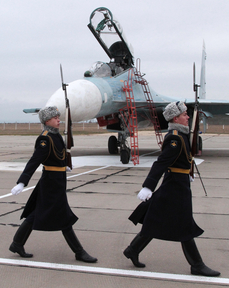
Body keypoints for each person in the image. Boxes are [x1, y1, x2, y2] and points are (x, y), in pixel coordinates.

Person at [123, 101, 220, 277]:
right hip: (174, 188)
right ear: (176, 117)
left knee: (156, 221)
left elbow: (183, 158)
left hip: (178, 184)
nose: (188, 116)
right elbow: (161, 162)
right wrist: (148, 186)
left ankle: (132, 249)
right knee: (184, 225)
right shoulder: (175, 137)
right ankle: (197, 265)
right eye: (184, 114)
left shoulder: (181, 135)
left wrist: (188, 171)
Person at [9, 106, 97, 263]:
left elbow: (58, 154)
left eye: (58, 117)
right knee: (63, 217)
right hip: (51, 183)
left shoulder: (56, 136)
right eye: (55, 117)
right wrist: (22, 182)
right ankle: (79, 251)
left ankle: (17, 243)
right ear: (46, 121)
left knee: (36, 213)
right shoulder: (45, 138)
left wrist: (65, 165)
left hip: (57, 180)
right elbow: (34, 161)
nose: (58, 119)